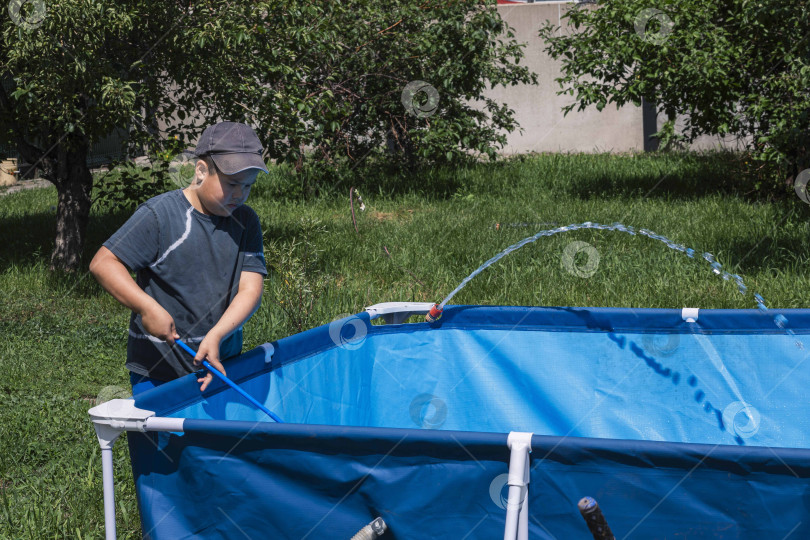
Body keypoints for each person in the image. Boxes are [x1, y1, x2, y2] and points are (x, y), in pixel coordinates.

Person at [90, 121, 268, 394]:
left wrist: (217, 336)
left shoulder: (247, 221)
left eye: (248, 186)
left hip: (221, 367)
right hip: (158, 374)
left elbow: (250, 290)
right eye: (232, 184)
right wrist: (147, 308)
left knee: (212, 437)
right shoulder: (160, 215)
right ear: (200, 170)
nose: (240, 195)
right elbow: (103, 263)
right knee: (164, 436)